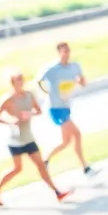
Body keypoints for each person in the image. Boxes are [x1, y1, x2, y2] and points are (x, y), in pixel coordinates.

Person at [0, 72, 71, 206]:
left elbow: (38, 111)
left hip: (28, 138)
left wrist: (28, 114)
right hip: (15, 140)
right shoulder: (8, 99)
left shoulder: (29, 95)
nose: (20, 82)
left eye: (21, 79)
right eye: (17, 80)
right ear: (12, 83)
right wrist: (10, 121)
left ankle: (57, 192)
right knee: (17, 169)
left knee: (41, 166)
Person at [38, 42, 92, 175]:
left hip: (66, 107)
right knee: (77, 134)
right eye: (64, 51)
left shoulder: (74, 67)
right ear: (59, 53)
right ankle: (85, 167)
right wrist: (46, 93)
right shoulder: (52, 69)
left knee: (65, 142)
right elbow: (39, 81)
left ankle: (45, 160)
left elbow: (83, 82)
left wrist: (80, 82)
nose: (67, 54)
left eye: (68, 51)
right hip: (56, 108)